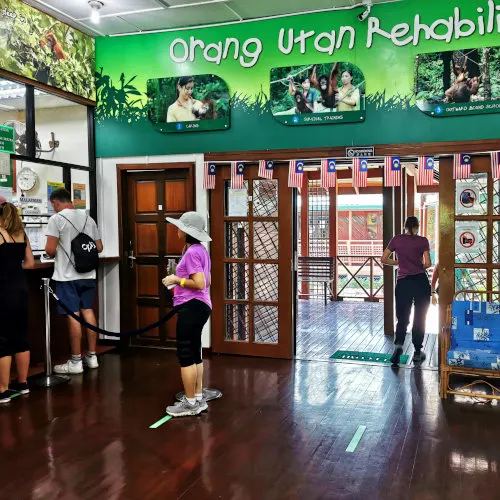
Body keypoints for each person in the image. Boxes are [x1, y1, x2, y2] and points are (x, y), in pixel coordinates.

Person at [45, 188, 103, 375]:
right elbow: (99, 247)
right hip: (88, 274)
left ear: (55, 202)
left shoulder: (56, 219)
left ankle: (76, 360)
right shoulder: (88, 218)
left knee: (73, 314)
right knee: (88, 310)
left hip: (67, 276)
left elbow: (50, 250)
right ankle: (92, 357)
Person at [162, 212, 212, 418]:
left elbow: (200, 283)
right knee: (195, 352)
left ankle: (190, 403)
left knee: (185, 353)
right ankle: (197, 398)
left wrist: (175, 279)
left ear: (187, 231)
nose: (177, 230)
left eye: (180, 227)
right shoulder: (200, 250)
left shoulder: (191, 253)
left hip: (191, 306)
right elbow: (207, 282)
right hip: (200, 306)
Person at [381, 216, 432, 366]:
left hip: (403, 283)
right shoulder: (423, 241)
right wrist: (419, 266)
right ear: (417, 227)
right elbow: (428, 263)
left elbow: (384, 259)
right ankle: (417, 352)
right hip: (420, 282)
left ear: (405, 226)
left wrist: (399, 262)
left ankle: (398, 346)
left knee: (403, 317)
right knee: (420, 316)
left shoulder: (396, 239)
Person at [0, 202, 35, 403]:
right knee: (21, 337)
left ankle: (3, 390)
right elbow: (29, 263)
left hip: (3, 291)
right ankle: (22, 384)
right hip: (21, 290)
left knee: (2, 340)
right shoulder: (22, 234)